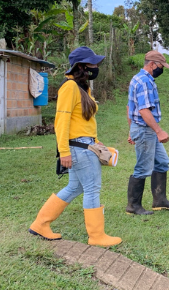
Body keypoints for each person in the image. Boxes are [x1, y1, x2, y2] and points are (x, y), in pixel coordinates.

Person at [28, 46, 121, 247]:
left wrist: (95, 141)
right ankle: (96, 236)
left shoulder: (82, 88)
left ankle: (40, 224)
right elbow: (61, 122)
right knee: (92, 189)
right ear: (81, 66)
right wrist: (64, 152)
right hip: (78, 148)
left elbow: (84, 121)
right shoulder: (69, 87)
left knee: (75, 187)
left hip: (85, 145)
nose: (96, 67)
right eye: (92, 63)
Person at [125, 50, 169, 215]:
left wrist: (130, 130)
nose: (161, 69)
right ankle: (133, 206)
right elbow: (143, 110)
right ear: (152, 64)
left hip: (142, 129)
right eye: (161, 65)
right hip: (145, 130)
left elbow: (129, 107)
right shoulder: (144, 82)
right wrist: (159, 131)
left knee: (162, 162)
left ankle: (160, 200)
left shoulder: (139, 79)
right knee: (143, 167)